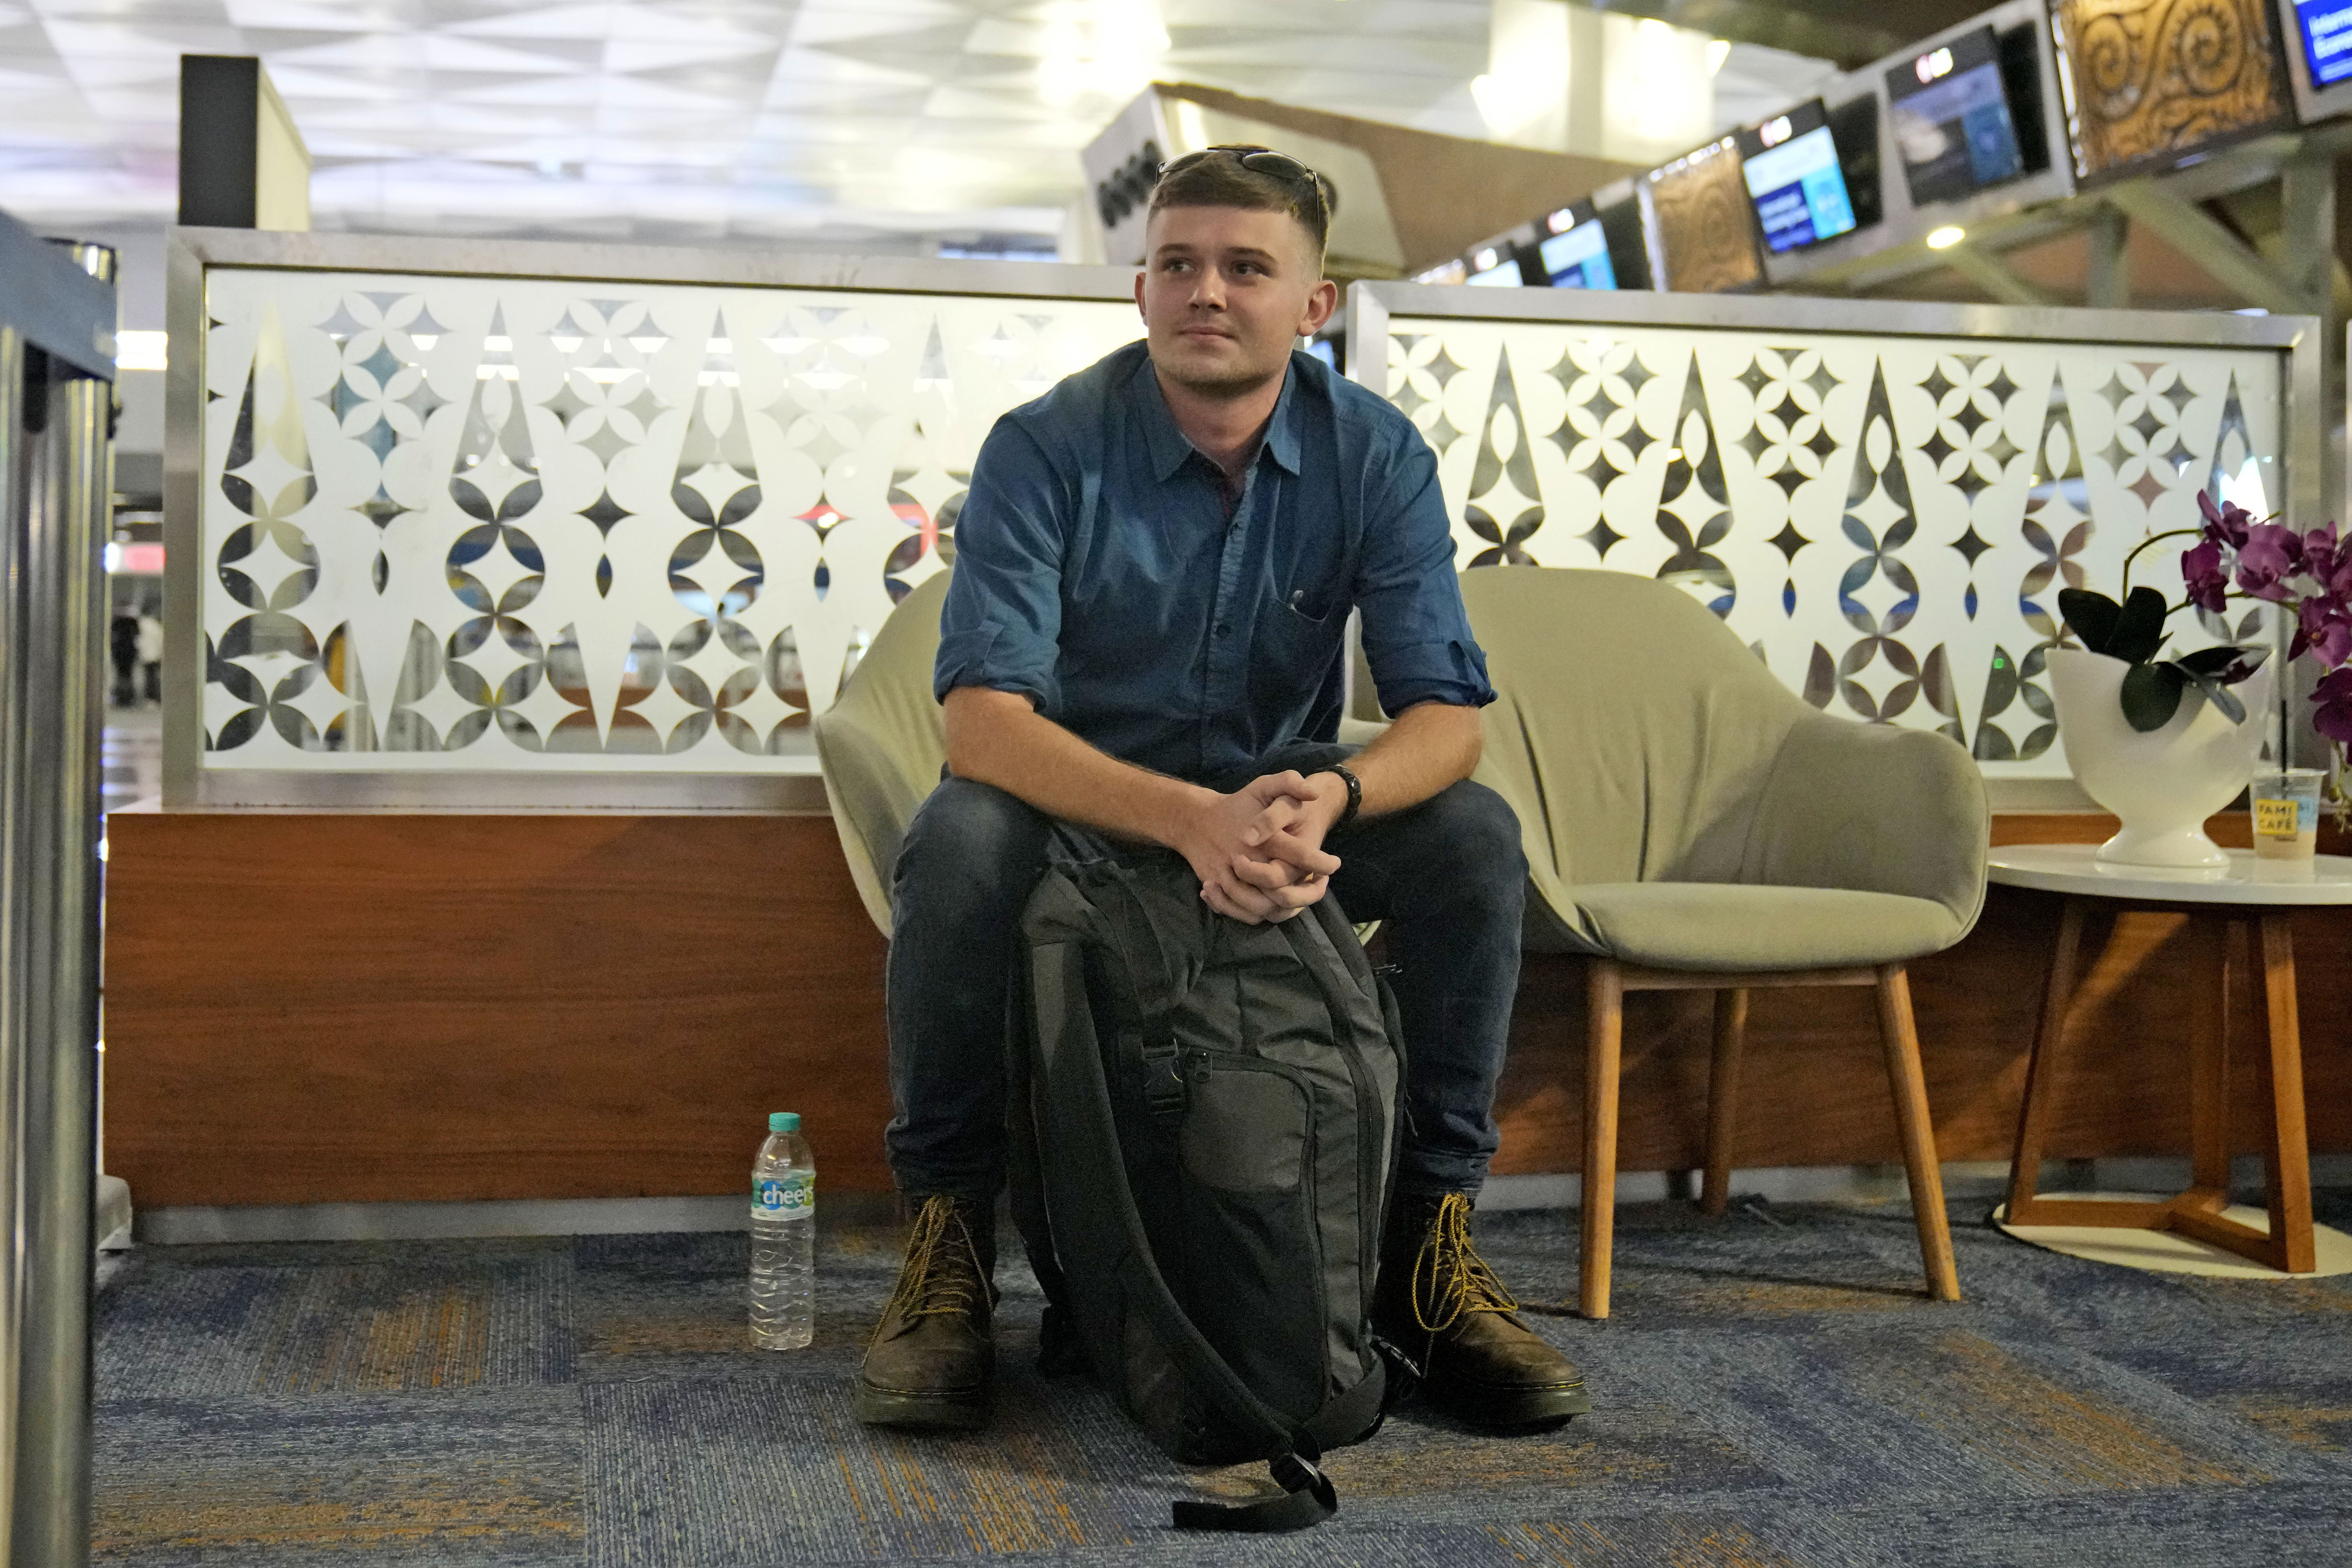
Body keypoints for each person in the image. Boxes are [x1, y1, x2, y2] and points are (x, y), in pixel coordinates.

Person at [856, 145, 1585, 1437]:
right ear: (1140, 289)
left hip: (1276, 813)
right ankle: (948, 1254)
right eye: (1178, 264)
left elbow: (1447, 720)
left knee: (1473, 840)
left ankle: (1430, 1250)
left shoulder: (1373, 453)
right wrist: (1187, 819)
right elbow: (981, 726)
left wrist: (1332, 799)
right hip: (1082, 814)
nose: (1207, 292)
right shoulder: (1045, 448)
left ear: (1311, 305)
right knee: (958, 839)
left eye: (1246, 267)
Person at [110, 611, 139, 708]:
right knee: (129, 677)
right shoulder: (132, 623)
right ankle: (129, 698)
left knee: (120, 677)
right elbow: (138, 635)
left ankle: (121, 698)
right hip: (129, 655)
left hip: (120, 655)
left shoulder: (117, 623)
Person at [136, 608, 163, 706]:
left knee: (150, 677)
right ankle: (155, 697)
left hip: (147, 655)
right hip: (155, 655)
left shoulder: (142, 624)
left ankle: (151, 697)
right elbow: (160, 640)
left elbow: (140, 640)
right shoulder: (156, 625)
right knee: (154, 677)